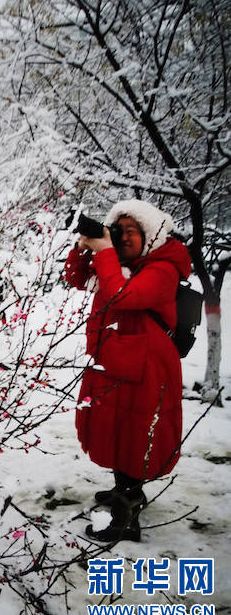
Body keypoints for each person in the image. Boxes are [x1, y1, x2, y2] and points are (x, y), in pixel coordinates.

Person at [63, 199, 191, 542]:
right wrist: (85, 246)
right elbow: (77, 279)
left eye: (131, 232)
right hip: (118, 362)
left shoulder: (163, 269)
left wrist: (104, 251)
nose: (123, 239)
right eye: (119, 232)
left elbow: (123, 296)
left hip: (147, 368)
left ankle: (127, 513)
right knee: (117, 430)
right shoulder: (119, 264)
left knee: (135, 435)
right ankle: (125, 490)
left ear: (149, 234)